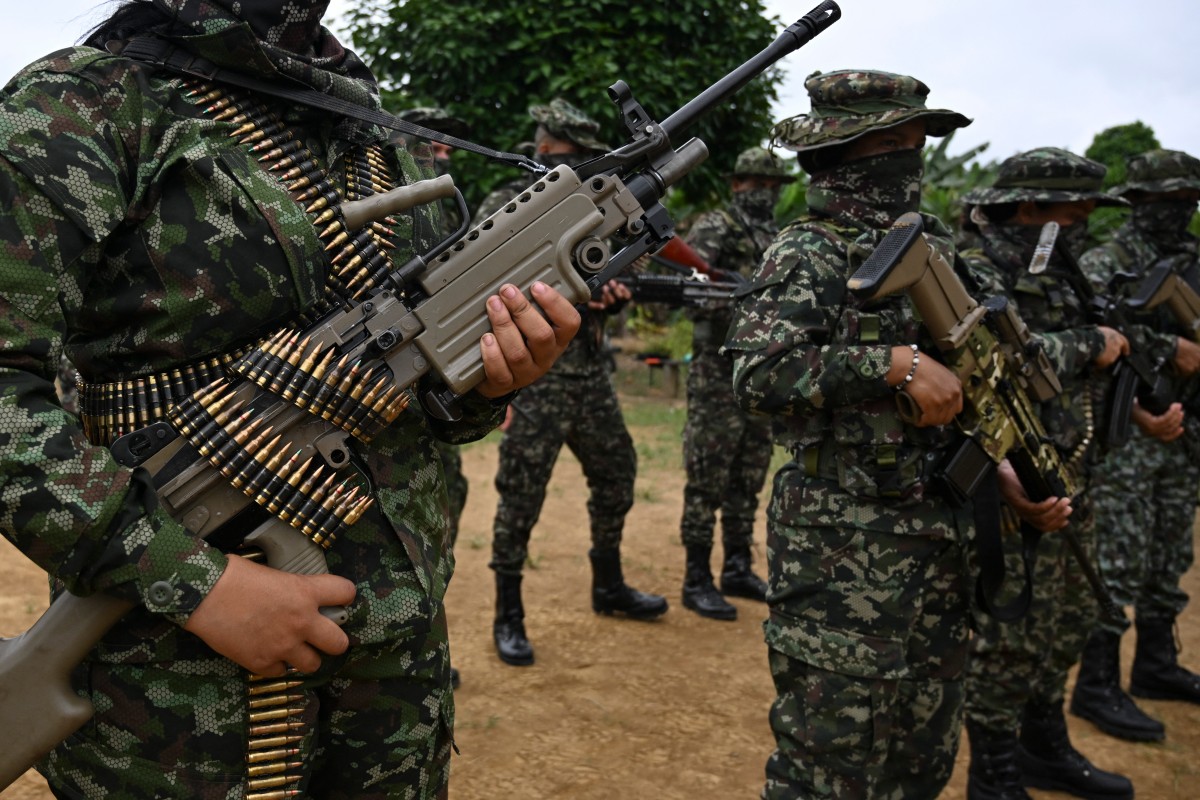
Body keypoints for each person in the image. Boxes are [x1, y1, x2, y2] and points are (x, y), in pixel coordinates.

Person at [0, 1, 580, 797]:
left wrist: (486, 380)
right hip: (176, 711)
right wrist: (194, 580)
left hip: (395, 686)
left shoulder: (375, 134)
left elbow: (410, 405)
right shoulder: (85, 106)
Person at [725, 68, 977, 799]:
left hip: (939, 545)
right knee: (828, 768)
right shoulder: (809, 250)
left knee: (920, 759)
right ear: (856, 148)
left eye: (918, 141)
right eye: (900, 141)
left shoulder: (933, 251)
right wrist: (891, 364)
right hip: (843, 552)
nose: (914, 158)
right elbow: (759, 375)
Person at [958, 148, 1150, 800]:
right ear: (1032, 208)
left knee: (1069, 620)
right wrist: (1093, 344)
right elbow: (1002, 360)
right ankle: (994, 769)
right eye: (1074, 214)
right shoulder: (979, 270)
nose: (1084, 227)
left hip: (1073, 469)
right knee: (1011, 635)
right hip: (1015, 477)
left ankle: (1042, 744)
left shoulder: (1063, 272)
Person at [479, 97, 668, 667]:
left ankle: (607, 583)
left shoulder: (594, 207)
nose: (585, 164)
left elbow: (615, 270)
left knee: (618, 473)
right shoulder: (505, 205)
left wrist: (611, 291)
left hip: (589, 375)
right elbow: (494, 294)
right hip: (535, 381)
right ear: (542, 149)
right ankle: (507, 614)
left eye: (591, 155)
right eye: (571, 154)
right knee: (521, 495)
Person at [1071, 148, 1200, 743]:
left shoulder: (1193, 261)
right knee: (1116, 563)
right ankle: (1097, 688)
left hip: (1183, 433)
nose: (1177, 211)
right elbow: (1092, 343)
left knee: (1167, 555)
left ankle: (1155, 665)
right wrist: (1168, 353)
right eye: (1165, 200)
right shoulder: (1105, 260)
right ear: (1139, 201)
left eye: (1186, 200)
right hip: (1126, 433)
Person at [678, 146, 790, 621]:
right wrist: (744, 302)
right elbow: (691, 290)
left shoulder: (780, 236)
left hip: (761, 374)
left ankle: (738, 565)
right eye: (755, 185)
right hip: (716, 372)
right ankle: (696, 577)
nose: (763, 194)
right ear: (736, 184)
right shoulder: (715, 226)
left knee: (749, 474)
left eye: (771, 187)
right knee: (708, 476)